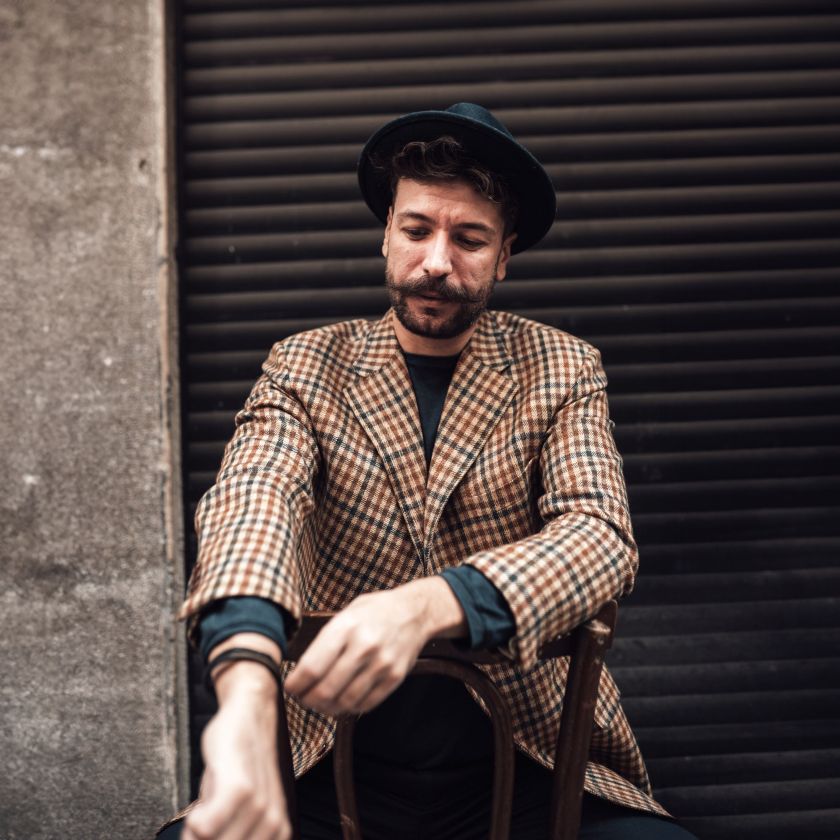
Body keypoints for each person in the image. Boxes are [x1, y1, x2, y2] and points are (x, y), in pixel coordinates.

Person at [159, 103, 696, 839]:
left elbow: (600, 537)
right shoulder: (306, 364)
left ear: (503, 255)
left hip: (527, 764)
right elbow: (255, 499)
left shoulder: (562, 365)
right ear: (386, 233)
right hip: (328, 768)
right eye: (416, 230)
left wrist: (425, 605)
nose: (437, 262)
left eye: (469, 239)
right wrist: (247, 687)